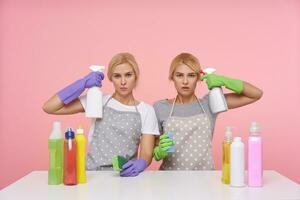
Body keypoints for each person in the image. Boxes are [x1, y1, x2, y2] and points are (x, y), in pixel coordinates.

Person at [43, 52, 159, 176]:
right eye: (117, 76)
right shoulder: (98, 100)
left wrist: (141, 163)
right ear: (110, 78)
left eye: (128, 75)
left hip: (125, 176)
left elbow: (146, 153)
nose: (123, 81)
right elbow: (49, 107)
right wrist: (82, 84)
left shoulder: (146, 110)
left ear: (136, 77)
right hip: (93, 175)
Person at [153, 53, 263, 170]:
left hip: (205, 179)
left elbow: (256, 94)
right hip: (170, 180)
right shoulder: (160, 107)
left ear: (199, 78)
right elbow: (151, 149)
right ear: (172, 78)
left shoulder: (211, 103)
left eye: (191, 75)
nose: (185, 81)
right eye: (179, 75)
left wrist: (224, 81)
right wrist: (158, 152)